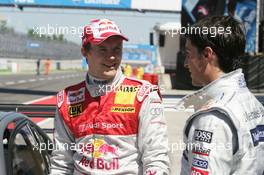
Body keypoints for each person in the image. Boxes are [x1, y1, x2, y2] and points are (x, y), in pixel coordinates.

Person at [50, 18, 170, 175]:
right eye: (102, 50)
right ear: (85, 51)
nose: (112, 57)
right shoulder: (68, 99)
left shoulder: (143, 94)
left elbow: (156, 159)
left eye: (117, 49)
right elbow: (61, 163)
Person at [178, 16, 264, 175]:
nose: (185, 63)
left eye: (188, 54)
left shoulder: (212, 119)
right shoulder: (253, 103)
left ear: (207, 55)